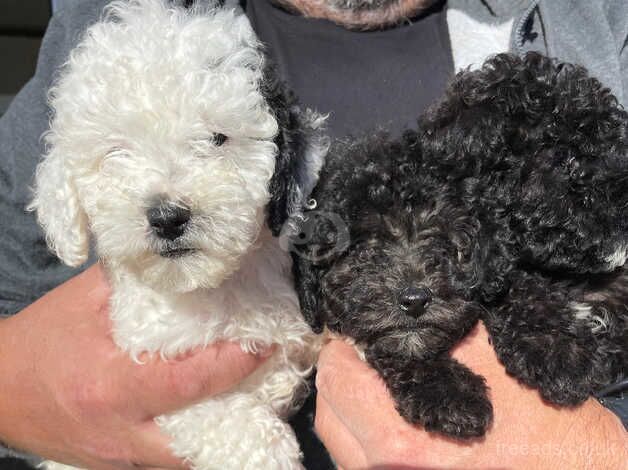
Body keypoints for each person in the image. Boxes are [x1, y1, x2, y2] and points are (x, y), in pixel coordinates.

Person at [0, 0, 626, 469]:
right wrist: (20, 387)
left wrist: (595, 453)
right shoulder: (111, 26)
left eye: (215, 141)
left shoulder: (600, 17)